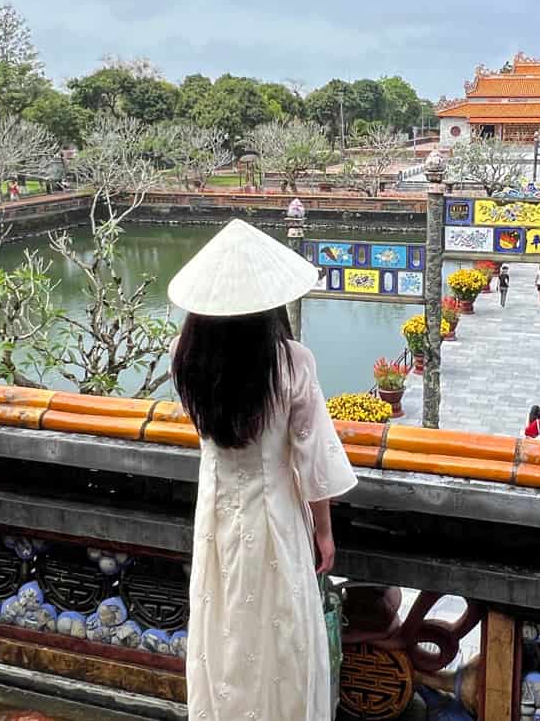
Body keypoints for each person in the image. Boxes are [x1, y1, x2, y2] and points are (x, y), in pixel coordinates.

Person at [168, 219, 357, 720]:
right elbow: (314, 457)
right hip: (272, 515)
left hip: (215, 514)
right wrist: (325, 532)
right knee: (282, 633)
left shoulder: (185, 358)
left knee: (223, 627)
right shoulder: (291, 362)